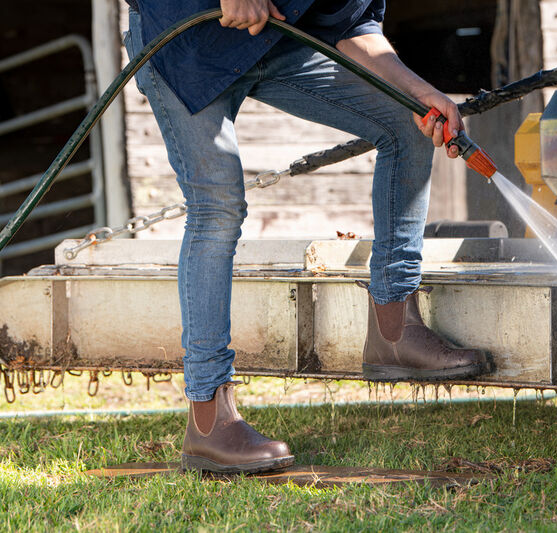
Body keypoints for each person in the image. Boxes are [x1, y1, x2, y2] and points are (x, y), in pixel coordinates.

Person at [124, 0, 492, 475]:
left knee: (405, 123)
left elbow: (353, 27)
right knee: (217, 207)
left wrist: (420, 92)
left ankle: (394, 330)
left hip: (271, 42)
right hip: (183, 44)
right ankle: (209, 417)